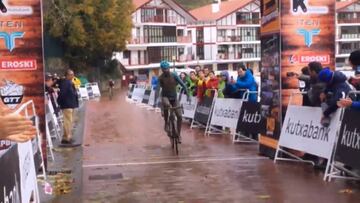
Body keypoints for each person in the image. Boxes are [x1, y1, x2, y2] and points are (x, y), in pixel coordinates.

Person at [155, 61, 190, 143]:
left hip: (174, 98)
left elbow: (183, 84)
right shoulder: (160, 78)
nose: (166, 70)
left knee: (180, 116)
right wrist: (155, 100)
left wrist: (188, 95)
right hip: (165, 97)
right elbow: (157, 89)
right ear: (162, 70)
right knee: (167, 104)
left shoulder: (174, 75)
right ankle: (166, 122)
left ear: (169, 68)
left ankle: (179, 134)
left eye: (167, 68)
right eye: (164, 69)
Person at [57, 69, 79, 146]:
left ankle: (66, 137)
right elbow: (62, 94)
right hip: (67, 105)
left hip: (70, 104)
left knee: (69, 121)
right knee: (68, 122)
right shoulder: (66, 83)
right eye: (71, 74)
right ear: (67, 75)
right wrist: (60, 102)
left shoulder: (69, 82)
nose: (72, 76)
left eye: (73, 74)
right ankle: (67, 138)